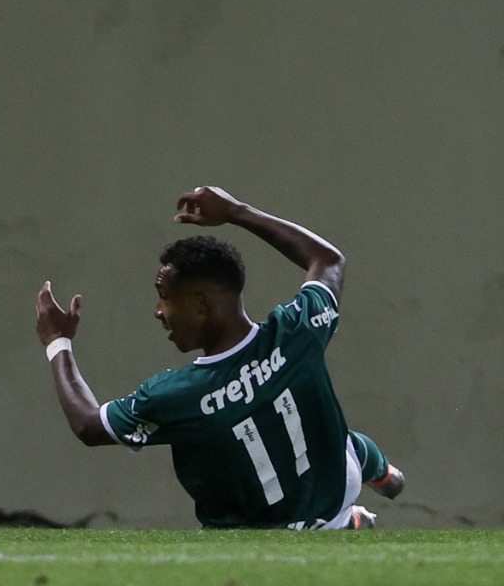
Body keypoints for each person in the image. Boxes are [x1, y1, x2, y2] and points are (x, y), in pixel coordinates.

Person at [35, 185, 405, 530]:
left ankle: (362, 490)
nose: (158, 311)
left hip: (264, 531)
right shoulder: (296, 331)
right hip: (337, 495)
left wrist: (57, 342)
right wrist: (237, 212)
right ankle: (371, 489)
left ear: (200, 303)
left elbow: (87, 424)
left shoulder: (176, 396)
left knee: (317, 445)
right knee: (340, 445)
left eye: (164, 295)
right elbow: (328, 260)